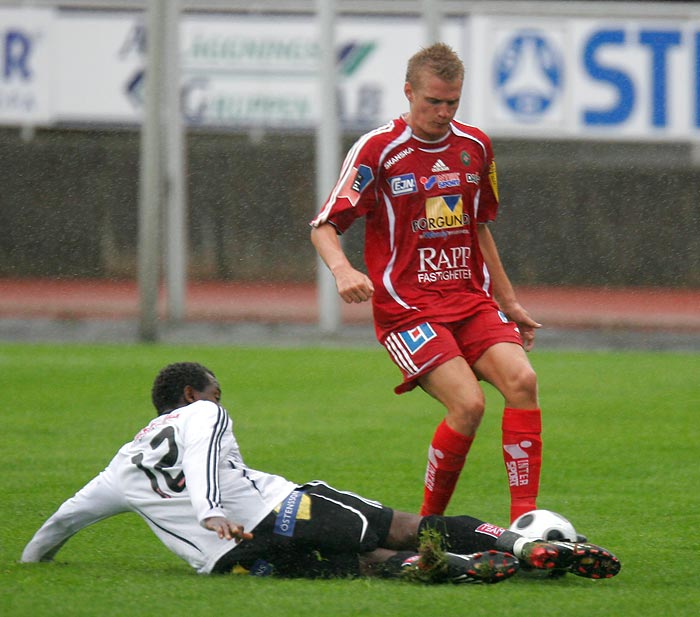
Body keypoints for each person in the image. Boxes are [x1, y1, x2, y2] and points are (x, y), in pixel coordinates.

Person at [21, 362, 621, 582]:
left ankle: (464, 570)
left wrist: (32, 564)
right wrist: (210, 507)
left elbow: (63, 521)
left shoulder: (122, 465)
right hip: (278, 508)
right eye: (215, 390)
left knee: (361, 565)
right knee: (405, 526)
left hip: (232, 561)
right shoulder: (202, 410)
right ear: (190, 393)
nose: (219, 397)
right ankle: (520, 544)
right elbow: (204, 459)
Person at [310, 43, 543, 522]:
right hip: (407, 307)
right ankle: (426, 527)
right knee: (469, 404)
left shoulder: (475, 147)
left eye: (452, 102)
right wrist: (343, 269)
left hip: (470, 300)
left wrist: (510, 301)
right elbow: (325, 226)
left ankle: (526, 522)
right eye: (432, 101)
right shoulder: (378, 150)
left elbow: (478, 227)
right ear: (408, 92)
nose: (443, 112)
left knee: (523, 381)